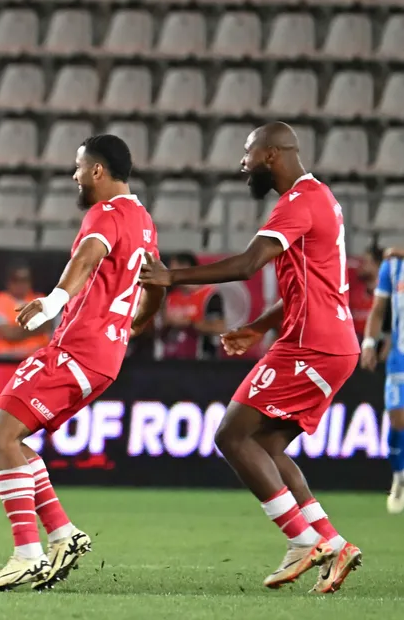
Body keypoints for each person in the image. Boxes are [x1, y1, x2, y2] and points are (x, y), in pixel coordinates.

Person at [139, 121, 362, 594]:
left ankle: (301, 541)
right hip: (329, 342)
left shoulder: (299, 201)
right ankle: (332, 542)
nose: (243, 163)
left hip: (311, 345)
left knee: (231, 435)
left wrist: (171, 277)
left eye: (248, 153)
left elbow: (246, 264)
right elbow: (309, 288)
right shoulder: (321, 198)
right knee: (266, 445)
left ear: (272, 155)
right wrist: (259, 326)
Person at [0, 134, 163, 592]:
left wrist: (54, 300)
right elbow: (157, 280)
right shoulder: (143, 220)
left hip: (77, 349)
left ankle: (27, 554)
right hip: (105, 357)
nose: (74, 176)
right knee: (13, 440)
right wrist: (138, 321)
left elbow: (87, 254)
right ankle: (62, 534)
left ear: (97, 171)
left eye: (79, 167)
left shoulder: (107, 213)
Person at [360, 251, 404, 513]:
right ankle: (399, 476)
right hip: (400, 355)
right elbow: (378, 310)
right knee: (398, 419)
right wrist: (369, 343)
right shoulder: (393, 267)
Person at [157, 252, 226, 360]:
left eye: (173, 270)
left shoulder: (209, 296)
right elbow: (160, 329)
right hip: (171, 359)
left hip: (201, 359)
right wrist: (168, 323)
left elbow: (219, 328)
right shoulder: (170, 296)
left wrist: (190, 323)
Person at [0, 262, 51, 360]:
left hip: (37, 360)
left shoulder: (41, 300)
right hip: (4, 360)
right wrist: (37, 326)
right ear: (8, 282)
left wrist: (20, 330)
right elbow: (10, 334)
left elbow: (49, 325)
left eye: (25, 280)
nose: (20, 284)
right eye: (15, 279)